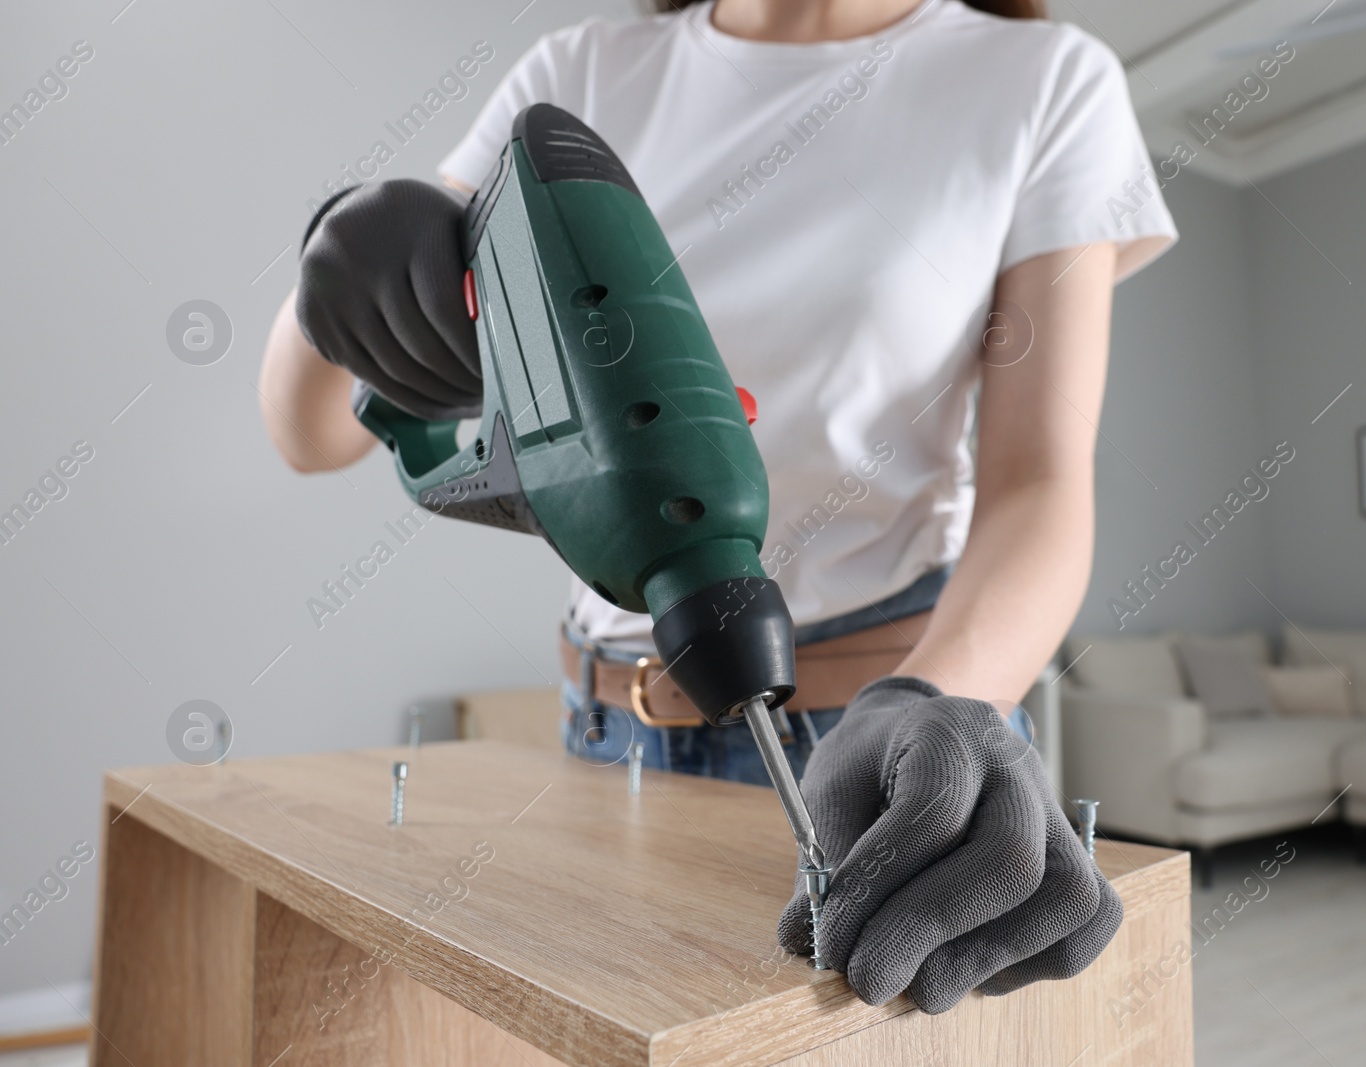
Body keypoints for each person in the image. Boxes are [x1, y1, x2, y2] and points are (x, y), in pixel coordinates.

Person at [260, 0, 1175, 1017]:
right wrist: (341, 250)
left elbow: (1038, 483)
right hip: (601, 723)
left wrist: (931, 701)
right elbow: (312, 435)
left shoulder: (1042, 78)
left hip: (884, 742)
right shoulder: (583, 69)